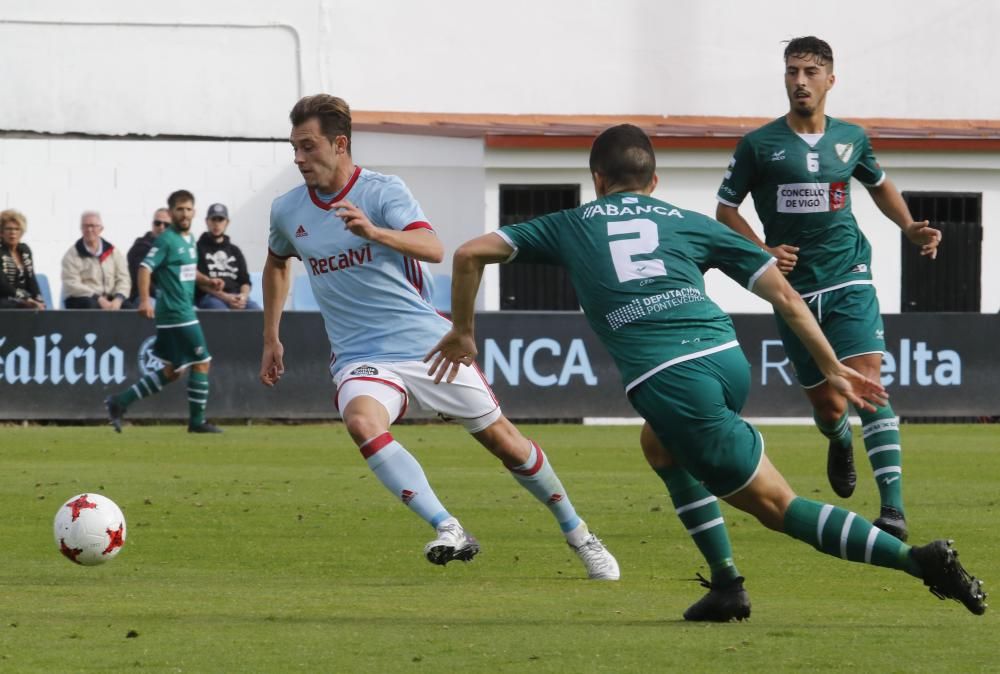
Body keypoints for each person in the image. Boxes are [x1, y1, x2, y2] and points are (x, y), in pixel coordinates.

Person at [427, 124, 985, 620]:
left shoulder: (571, 223)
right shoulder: (687, 222)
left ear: (597, 177)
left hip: (673, 379)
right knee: (659, 446)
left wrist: (462, 332)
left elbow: (470, 253)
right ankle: (725, 586)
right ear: (655, 179)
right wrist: (830, 366)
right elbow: (787, 297)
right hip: (724, 356)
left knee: (777, 506)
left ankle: (918, 561)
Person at [259, 94, 619, 578]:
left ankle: (579, 533)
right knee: (363, 423)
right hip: (360, 355)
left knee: (506, 443)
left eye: (308, 146)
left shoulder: (383, 192)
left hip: (427, 346)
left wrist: (375, 233)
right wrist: (271, 336)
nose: (299, 158)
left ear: (339, 144)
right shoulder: (288, 210)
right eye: (294, 148)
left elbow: (432, 247)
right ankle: (448, 526)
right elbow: (277, 262)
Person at [701, 36, 942, 542]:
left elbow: (878, 185)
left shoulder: (852, 138)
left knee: (867, 382)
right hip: (794, 293)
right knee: (830, 405)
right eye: (792, 72)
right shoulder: (758, 145)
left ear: (831, 79)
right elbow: (725, 210)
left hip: (850, 275)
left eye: (811, 72)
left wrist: (909, 228)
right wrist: (764, 250)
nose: (800, 81)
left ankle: (893, 510)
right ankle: (838, 439)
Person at [105, 190, 226, 434]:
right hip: (176, 313)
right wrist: (144, 301)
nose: (184, 213)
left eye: (189, 209)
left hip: (180, 312)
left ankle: (119, 402)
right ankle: (196, 422)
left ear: (194, 212)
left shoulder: (190, 240)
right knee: (202, 362)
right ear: (171, 213)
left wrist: (209, 281)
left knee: (173, 371)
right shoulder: (166, 240)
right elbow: (144, 268)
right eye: (180, 209)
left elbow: (188, 271)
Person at [61, 211, 131, 309]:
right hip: (83, 298)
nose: (89, 229)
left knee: (130, 309)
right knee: (91, 305)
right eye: (86, 226)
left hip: (110, 298)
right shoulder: (72, 254)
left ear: (101, 229)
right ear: (81, 228)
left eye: (93, 226)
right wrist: (98, 298)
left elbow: (124, 278)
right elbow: (71, 283)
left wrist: (118, 298)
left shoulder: (113, 252)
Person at [196, 203, 259, 310]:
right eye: (213, 219)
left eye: (220, 219)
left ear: (227, 222)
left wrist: (243, 297)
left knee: (257, 312)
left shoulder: (235, 250)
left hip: (236, 296)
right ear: (207, 221)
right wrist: (226, 297)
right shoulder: (198, 248)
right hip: (210, 297)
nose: (217, 224)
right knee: (221, 312)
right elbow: (200, 283)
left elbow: (245, 281)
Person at [124, 208, 171, 309]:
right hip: (146, 297)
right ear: (152, 224)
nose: (161, 227)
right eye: (158, 223)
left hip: (171, 298)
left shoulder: (175, 248)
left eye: (166, 225)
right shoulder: (140, 247)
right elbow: (141, 278)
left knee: (195, 312)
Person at [0, 209, 46, 309]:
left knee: (40, 307)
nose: (13, 232)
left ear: (21, 233)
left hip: (24, 300)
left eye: (17, 229)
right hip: (4, 299)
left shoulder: (25, 250)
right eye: (9, 229)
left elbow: (31, 278)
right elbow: (2, 284)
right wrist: (26, 299)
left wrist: (38, 299)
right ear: (1, 233)